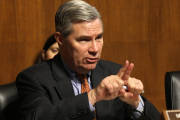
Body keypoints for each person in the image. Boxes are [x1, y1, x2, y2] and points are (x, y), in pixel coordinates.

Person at [16, 0, 160, 120]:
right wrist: (94, 95)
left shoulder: (113, 72)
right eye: (84, 40)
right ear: (60, 40)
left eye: (98, 38)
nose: (95, 49)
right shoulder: (33, 78)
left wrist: (136, 102)